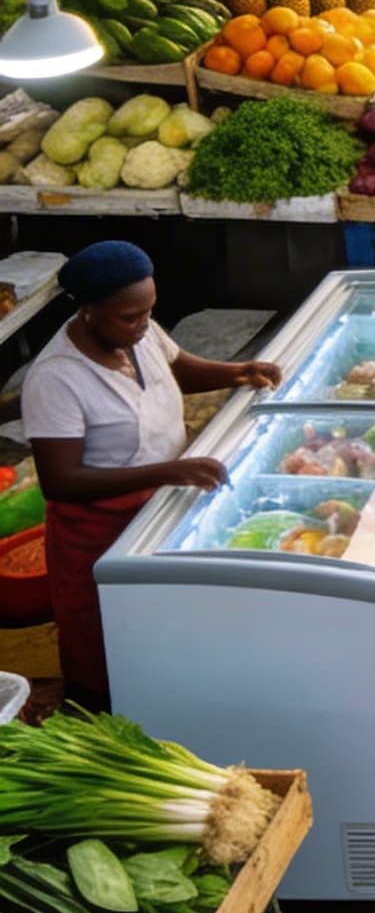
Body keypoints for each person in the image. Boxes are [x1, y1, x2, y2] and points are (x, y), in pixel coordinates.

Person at [22, 242, 283, 708]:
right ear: (87, 312)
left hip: (158, 511)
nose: (142, 324)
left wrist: (238, 372)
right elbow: (60, 480)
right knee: (100, 648)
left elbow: (178, 367)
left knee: (157, 636)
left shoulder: (138, 333)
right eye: (129, 317)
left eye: (148, 312)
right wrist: (170, 471)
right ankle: (96, 721)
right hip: (96, 535)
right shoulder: (56, 379)